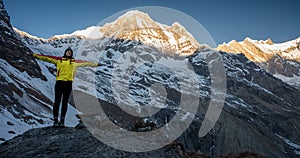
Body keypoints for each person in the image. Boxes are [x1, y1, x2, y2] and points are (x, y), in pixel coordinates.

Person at [33, 47, 100, 127]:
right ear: (65, 52)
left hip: (68, 83)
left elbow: (86, 63)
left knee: (65, 102)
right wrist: (35, 55)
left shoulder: (75, 62)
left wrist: (97, 64)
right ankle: (55, 121)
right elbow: (47, 58)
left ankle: (62, 121)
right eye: (68, 52)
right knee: (57, 102)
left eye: (70, 52)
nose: (69, 53)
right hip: (59, 82)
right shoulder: (59, 60)